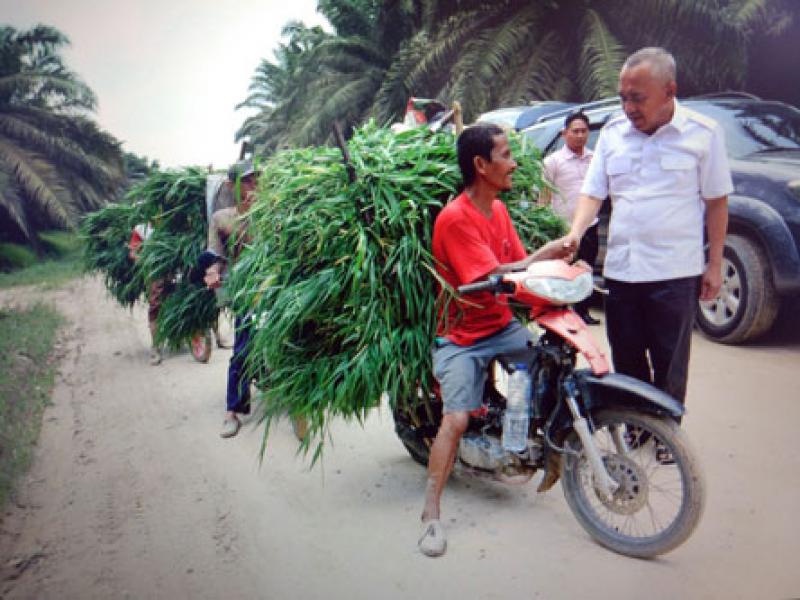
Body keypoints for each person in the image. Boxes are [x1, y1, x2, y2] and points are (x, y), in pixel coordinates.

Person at [561, 47, 732, 455]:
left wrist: (714, 264)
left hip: (674, 271)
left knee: (671, 362)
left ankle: (666, 437)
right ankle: (637, 430)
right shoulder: (614, 135)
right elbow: (593, 193)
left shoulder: (703, 135)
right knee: (628, 359)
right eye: (623, 97)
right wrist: (574, 232)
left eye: (638, 97)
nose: (628, 107)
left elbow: (716, 202)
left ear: (670, 90)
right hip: (622, 270)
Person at [418, 124, 573, 557]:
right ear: (481, 165)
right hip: (461, 337)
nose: (514, 163)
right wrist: (546, 252)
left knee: (552, 363)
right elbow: (492, 276)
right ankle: (431, 513)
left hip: (500, 326)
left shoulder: (499, 210)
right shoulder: (454, 219)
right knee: (456, 420)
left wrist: (558, 274)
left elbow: (519, 269)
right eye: (506, 154)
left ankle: (524, 442)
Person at [204, 159, 259, 439]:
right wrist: (212, 271)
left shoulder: (271, 212)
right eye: (247, 181)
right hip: (246, 290)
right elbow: (215, 254)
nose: (254, 186)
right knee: (243, 348)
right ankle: (232, 411)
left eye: (256, 179)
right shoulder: (222, 218)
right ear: (232, 186)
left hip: (275, 286)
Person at [538, 111, 600, 325]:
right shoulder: (553, 162)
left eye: (584, 131)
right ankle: (560, 312)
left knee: (585, 269)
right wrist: (543, 223)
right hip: (562, 226)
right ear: (564, 133)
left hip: (589, 226)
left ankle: (583, 311)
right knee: (562, 270)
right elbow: (544, 196)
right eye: (575, 131)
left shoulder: (595, 159)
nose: (580, 135)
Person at [128, 223, 164, 366]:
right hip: (155, 270)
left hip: (174, 268)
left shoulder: (172, 219)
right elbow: (133, 253)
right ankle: (155, 346)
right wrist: (145, 260)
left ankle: (217, 336)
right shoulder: (141, 229)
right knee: (155, 304)